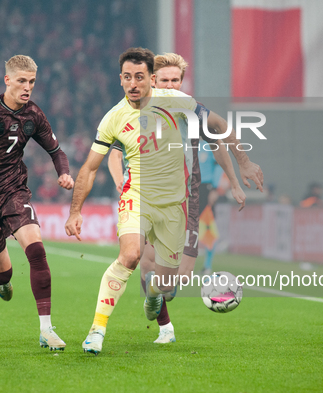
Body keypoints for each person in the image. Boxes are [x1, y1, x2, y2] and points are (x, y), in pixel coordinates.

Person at [65, 47, 263, 355]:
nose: (135, 83)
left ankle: (156, 298)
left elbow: (219, 130)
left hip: (179, 201)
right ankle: (97, 330)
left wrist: (242, 168)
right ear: (124, 80)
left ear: (153, 80)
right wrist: (77, 208)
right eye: (128, 77)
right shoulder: (115, 117)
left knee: (169, 284)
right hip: (138, 196)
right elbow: (96, 163)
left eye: (140, 77)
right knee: (132, 256)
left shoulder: (181, 105)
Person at [107, 53, 252, 344]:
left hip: (187, 198)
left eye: (176, 80)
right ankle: (165, 328)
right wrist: (119, 182)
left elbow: (218, 141)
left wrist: (235, 181)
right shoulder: (135, 109)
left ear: (182, 81)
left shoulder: (191, 110)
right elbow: (114, 152)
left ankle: (154, 295)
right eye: (165, 80)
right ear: (152, 81)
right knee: (146, 262)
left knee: (174, 281)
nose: (170, 85)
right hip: (145, 194)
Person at [0, 55, 74, 351]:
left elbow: (57, 151)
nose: (27, 88)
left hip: (13, 191)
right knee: (3, 271)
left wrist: (64, 173)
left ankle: (46, 330)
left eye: (32, 82)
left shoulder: (33, 115)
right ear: (7, 79)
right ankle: (2, 281)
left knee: (36, 250)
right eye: (22, 81)